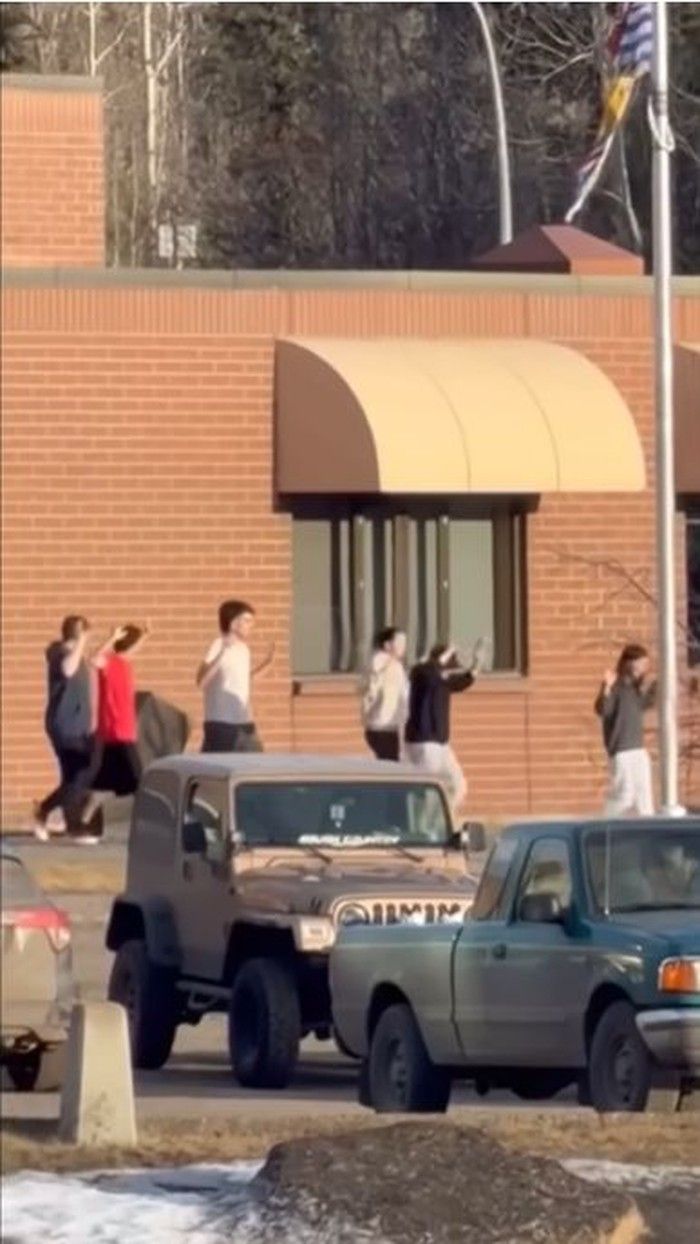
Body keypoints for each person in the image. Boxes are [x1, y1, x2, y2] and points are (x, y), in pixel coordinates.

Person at [78, 623, 150, 837]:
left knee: (106, 784)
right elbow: (93, 660)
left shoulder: (126, 664)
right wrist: (112, 639)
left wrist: (146, 635)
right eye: (136, 644)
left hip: (123, 731)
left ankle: (82, 820)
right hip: (115, 731)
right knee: (139, 781)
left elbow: (135, 646)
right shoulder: (111, 661)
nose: (138, 648)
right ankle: (146, 827)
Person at [34, 615, 95, 841]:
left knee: (78, 775)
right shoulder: (57, 653)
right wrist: (80, 642)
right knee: (77, 775)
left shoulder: (80, 656)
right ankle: (64, 820)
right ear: (75, 633)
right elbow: (68, 670)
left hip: (79, 726)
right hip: (64, 724)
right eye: (83, 632)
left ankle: (57, 816)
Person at [404, 642, 481, 815]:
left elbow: (461, 683)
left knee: (458, 784)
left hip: (440, 742)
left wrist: (476, 666)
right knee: (427, 788)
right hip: (424, 741)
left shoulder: (441, 680)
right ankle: (420, 827)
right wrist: (446, 654)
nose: (449, 671)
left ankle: (440, 820)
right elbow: (431, 672)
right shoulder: (422, 672)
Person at [196, 599, 274, 753]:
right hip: (222, 724)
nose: (251, 626)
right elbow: (201, 682)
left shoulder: (244, 649)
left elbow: (244, 681)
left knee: (254, 766)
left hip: (245, 723)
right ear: (233, 623)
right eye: (246, 621)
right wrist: (222, 654)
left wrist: (267, 664)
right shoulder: (218, 645)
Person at [595, 642, 656, 818]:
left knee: (644, 796)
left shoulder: (633, 690)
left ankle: (648, 827)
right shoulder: (616, 686)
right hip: (622, 750)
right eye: (641, 664)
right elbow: (603, 709)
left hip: (638, 749)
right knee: (624, 794)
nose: (644, 668)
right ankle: (608, 824)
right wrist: (606, 686)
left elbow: (643, 705)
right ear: (629, 663)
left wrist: (657, 687)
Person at [361, 626, 409, 761]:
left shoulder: (394, 665)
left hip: (387, 726)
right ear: (387, 645)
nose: (403, 647)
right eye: (399, 643)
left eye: (404, 643)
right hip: (383, 726)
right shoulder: (382, 662)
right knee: (390, 765)